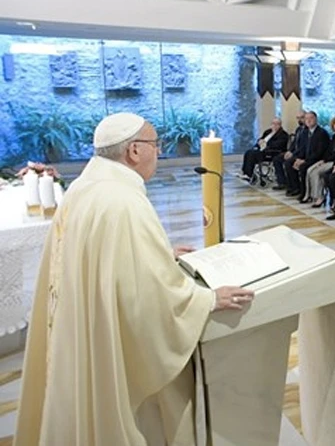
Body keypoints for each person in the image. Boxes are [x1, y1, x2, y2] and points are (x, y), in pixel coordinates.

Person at [15, 113, 254, 445]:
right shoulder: (124, 201)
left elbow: (101, 253)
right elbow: (149, 295)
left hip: (83, 319)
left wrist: (159, 253)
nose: (159, 151)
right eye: (155, 145)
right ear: (134, 151)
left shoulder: (87, 185)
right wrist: (209, 299)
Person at [305, 115, 335, 206]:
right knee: (309, 170)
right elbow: (329, 151)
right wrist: (323, 160)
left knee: (316, 172)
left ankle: (319, 196)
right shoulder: (334, 137)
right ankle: (310, 195)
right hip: (328, 160)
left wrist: (326, 160)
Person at [286, 112, 330, 200]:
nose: (308, 120)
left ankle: (305, 193)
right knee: (289, 163)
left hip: (317, 159)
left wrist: (304, 160)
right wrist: (298, 158)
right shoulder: (305, 132)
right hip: (306, 157)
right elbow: (302, 148)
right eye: (306, 119)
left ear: (316, 119)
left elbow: (319, 152)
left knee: (303, 167)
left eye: (311, 118)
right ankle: (295, 188)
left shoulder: (321, 133)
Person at [272, 111, 305, 190]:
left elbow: (303, 146)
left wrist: (293, 153)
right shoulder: (298, 129)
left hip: (301, 154)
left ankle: (294, 186)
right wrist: (289, 151)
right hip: (294, 152)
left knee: (288, 163)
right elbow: (294, 143)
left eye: (302, 117)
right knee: (277, 159)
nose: (300, 120)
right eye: (298, 118)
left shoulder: (307, 131)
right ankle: (282, 182)